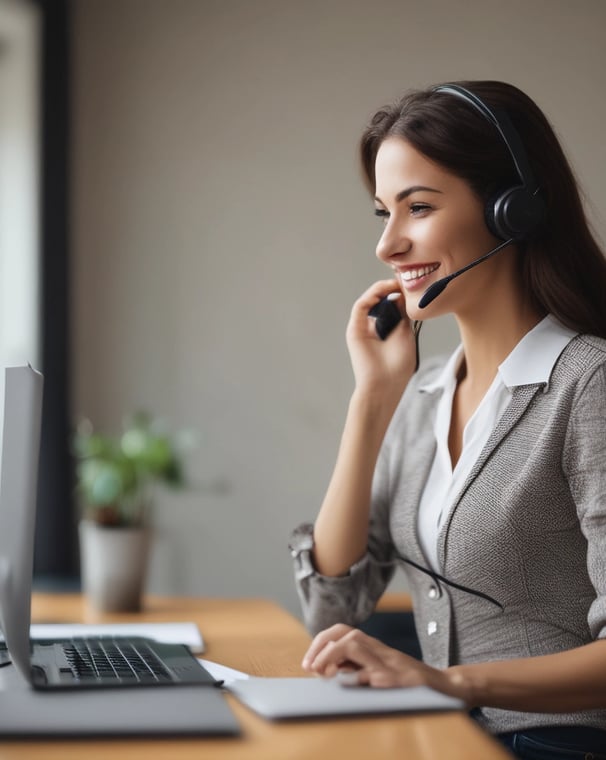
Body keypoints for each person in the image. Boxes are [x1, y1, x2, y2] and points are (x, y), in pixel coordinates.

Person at [289, 80, 606, 759]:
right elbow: (330, 611)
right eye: (383, 213)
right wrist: (372, 400)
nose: (388, 245)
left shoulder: (590, 383)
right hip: (448, 738)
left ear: (513, 212)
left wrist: (445, 682)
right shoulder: (428, 394)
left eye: (419, 208)